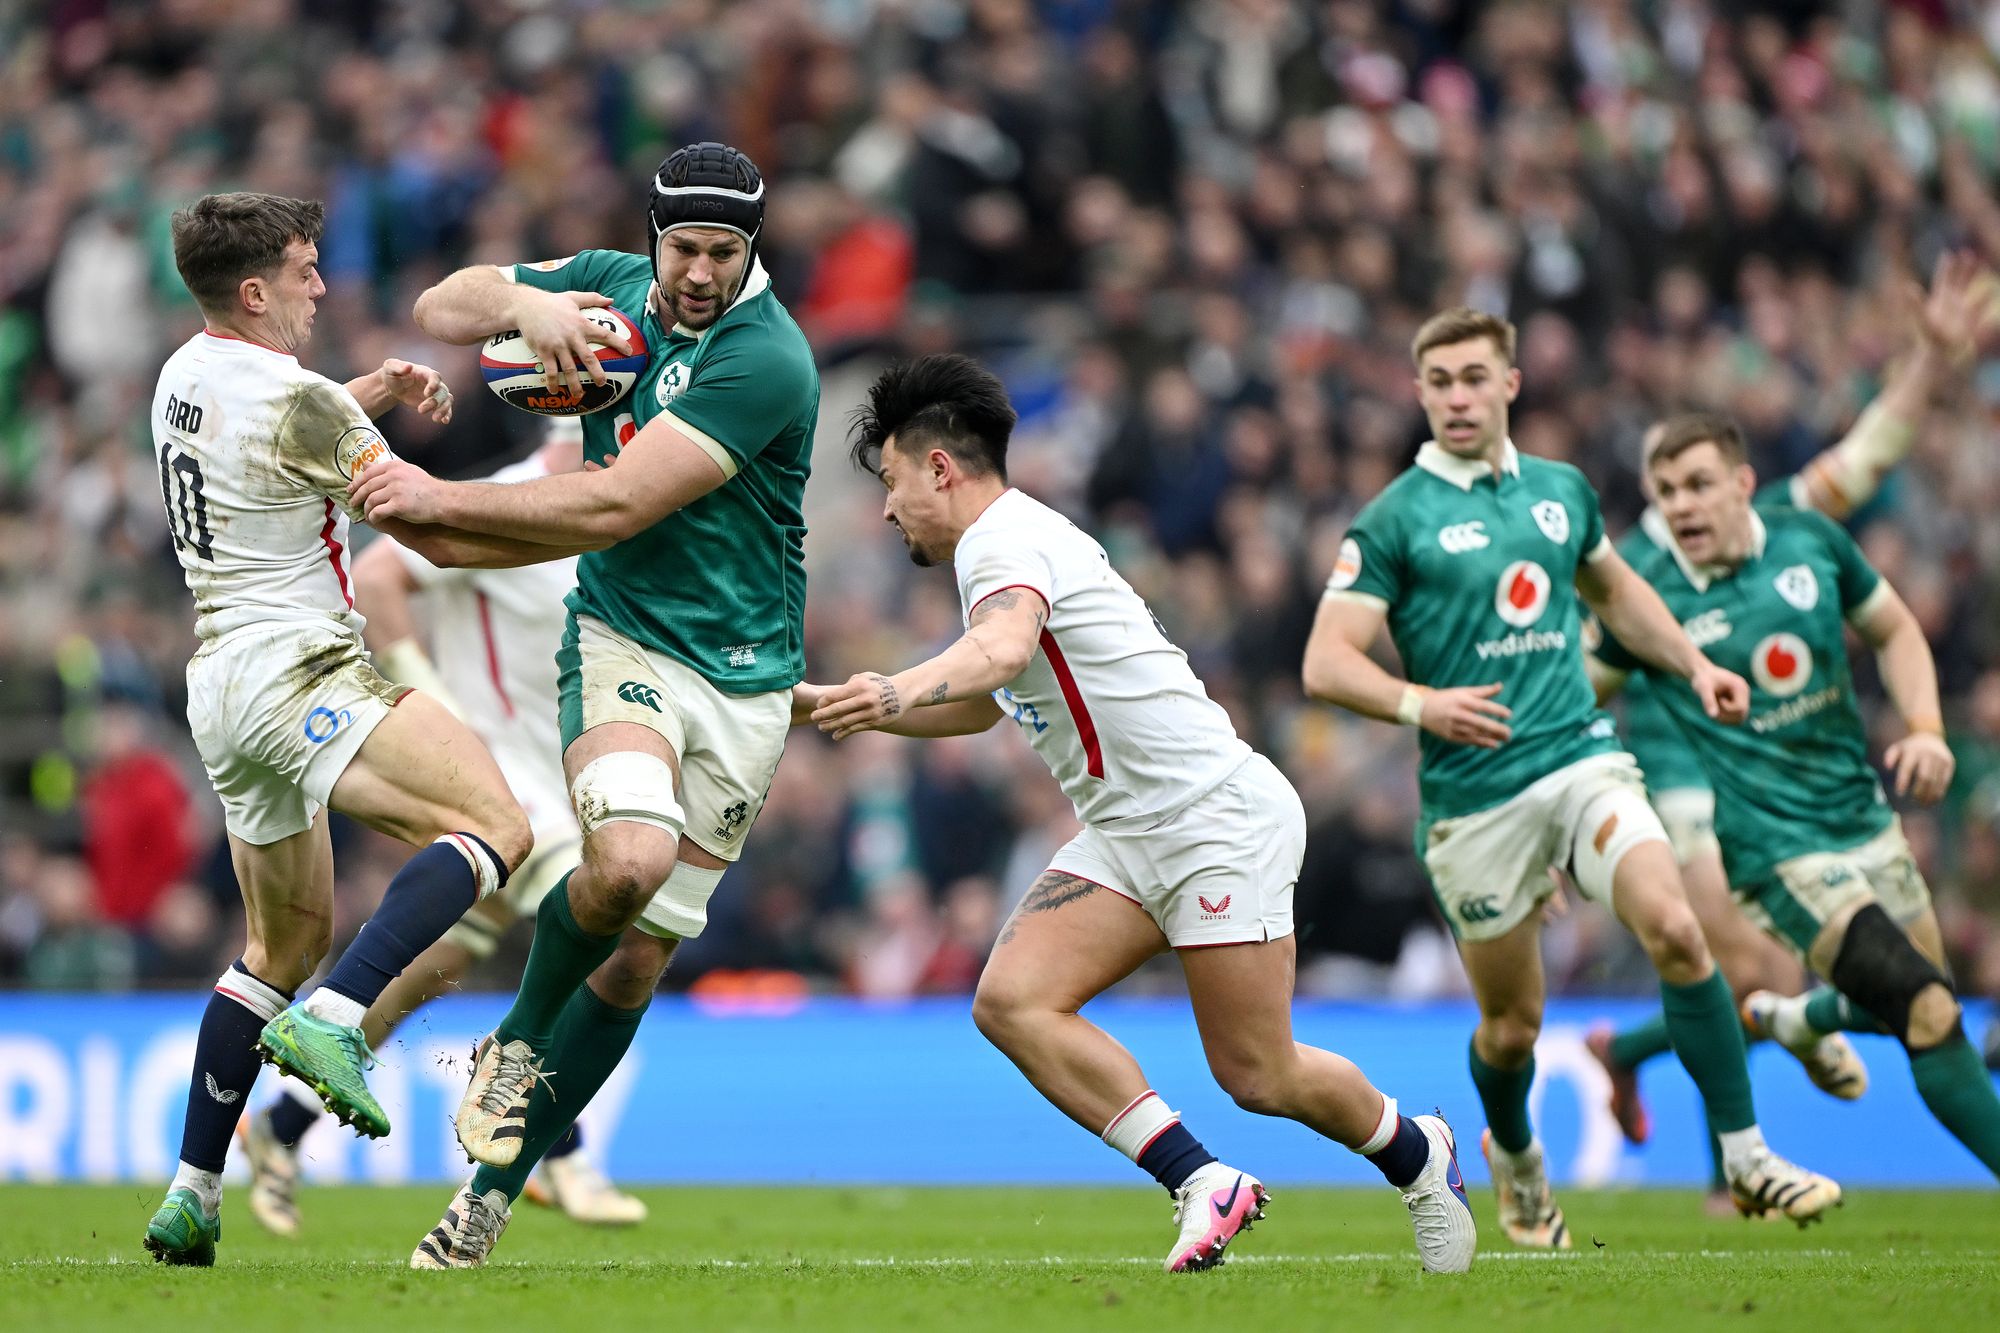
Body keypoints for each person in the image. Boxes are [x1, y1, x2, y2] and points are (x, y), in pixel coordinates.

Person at [807, 353, 1478, 1275]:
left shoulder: (1002, 541)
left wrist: (892, 688)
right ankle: (1201, 1181)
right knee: (1011, 1001)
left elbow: (996, 656)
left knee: (1258, 1073)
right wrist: (838, 700)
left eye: (890, 482)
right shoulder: (1002, 548)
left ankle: (1418, 1150)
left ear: (939, 468)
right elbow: (982, 696)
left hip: (1212, 819)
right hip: (1129, 833)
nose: (886, 510)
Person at [349, 142, 819, 1269]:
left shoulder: (769, 360)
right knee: (623, 866)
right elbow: (439, 303)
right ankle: (514, 1045)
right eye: (686, 246)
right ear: (652, 236)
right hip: (623, 639)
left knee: (639, 961)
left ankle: (488, 1199)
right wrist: (525, 301)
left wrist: (433, 500)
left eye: (726, 251)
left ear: (751, 252)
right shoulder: (609, 284)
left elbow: (612, 502)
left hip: (748, 678)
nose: (702, 272)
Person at [1300, 307, 1840, 1249]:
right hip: (1476, 800)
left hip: (1579, 755)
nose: (1459, 397)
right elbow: (1325, 661)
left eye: (1475, 377)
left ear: (1511, 383)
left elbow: (1619, 592)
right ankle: (1513, 1154)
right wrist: (1421, 704)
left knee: (1676, 927)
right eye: (1441, 382)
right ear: (1421, 392)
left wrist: (1691, 663)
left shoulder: (1561, 492)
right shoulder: (1394, 518)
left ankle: (1746, 1151)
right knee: (1511, 1026)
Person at [143, 193, 534, 1265]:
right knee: (497, 822)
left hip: (219, 685)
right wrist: (574, 524)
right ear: (258, 289)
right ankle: (340, 1016)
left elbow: (274, 428)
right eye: (306, 270)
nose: (322, 284)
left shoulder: (183, 373)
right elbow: (419, 522)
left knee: (279, 943)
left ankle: (191, 1193)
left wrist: (363, 395)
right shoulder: (304, 401)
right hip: (299, 666)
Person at [1585, 253, 1995, 1202]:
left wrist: (1926, 726)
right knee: (1771, 967)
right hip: (1721, 808)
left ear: (1739, 481)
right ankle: (1734, 1163)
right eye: (1663, 489)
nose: (1679, 505)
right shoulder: (1634, 585)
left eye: (1696, 484)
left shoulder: (1801, 534)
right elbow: (1562, 686)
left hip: (1859, 816)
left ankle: (1781, 1024)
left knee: (1912, 1010)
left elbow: (1874, 469)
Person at [238, 420, 646, 1236]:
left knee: (437, 963)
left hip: (560, 777)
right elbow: (381, 571)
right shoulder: (512, 499)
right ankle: (561, 1148)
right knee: (601, 920)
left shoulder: (600, 516)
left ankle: (279, 1124)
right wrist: (438, 710)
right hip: (506, 783)